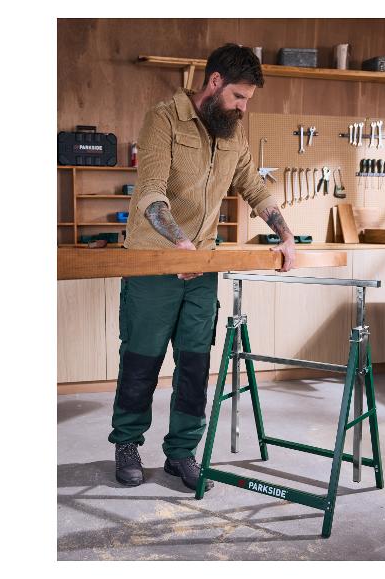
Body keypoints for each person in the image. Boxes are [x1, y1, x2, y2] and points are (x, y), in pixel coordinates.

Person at [109, 44, 296, 491]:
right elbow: (151, 192)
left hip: (201, 269)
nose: (243, 108)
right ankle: (128, 444)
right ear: (214, 83)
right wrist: (180, 243)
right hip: (154, 263)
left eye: (247, 100)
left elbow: (253, 185)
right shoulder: (164, 119)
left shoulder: (232, 132)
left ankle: (181, 452)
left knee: (194, 364)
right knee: (141, 359)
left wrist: (286, 234)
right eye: (238, 97)